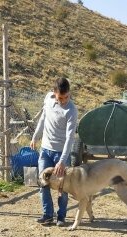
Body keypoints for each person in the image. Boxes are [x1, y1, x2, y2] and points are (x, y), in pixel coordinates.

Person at [30, 77, 78, 226]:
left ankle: (61, 216)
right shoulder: (48, 100)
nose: (63, 101)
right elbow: (43, 119)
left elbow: (70, 138)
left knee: (62, 186)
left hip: (60, 153)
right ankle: (47, 214)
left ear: (69, 93)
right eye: (60, 97)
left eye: (66, 97)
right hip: (45, 150)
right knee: (43, 183)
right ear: (54, 93)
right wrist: (35, 137)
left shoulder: (71, 110)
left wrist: (62, 160)